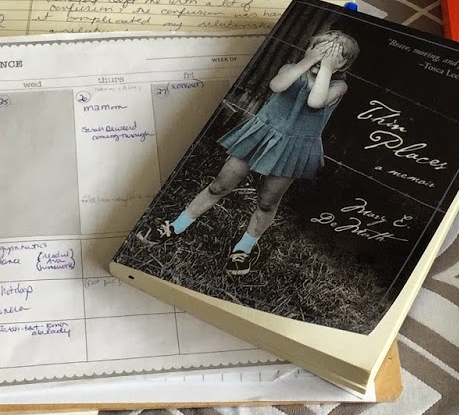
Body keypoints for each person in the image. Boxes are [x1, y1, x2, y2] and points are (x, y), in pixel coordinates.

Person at [144, 29, 360, 275]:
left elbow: (315, 101)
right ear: (309, 49)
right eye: (320, 50)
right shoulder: (291, 69)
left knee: (267, 202)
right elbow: (277, 85)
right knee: (219, 186)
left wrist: (326, 69)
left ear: (343, 64)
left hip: (293, 147)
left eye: (333, 55)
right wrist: (307, 61)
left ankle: (243, 250)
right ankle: (177, 226)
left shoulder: (338, 86)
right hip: (261, 134)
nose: (323, 57)